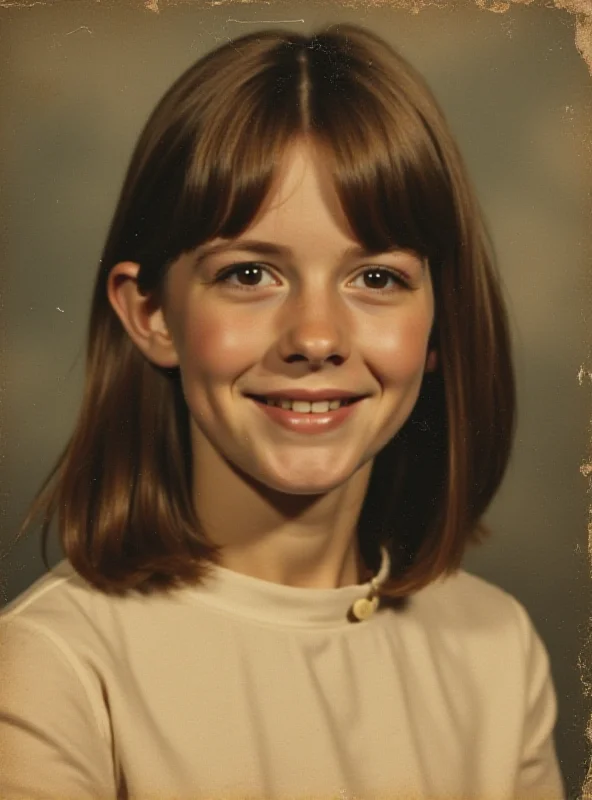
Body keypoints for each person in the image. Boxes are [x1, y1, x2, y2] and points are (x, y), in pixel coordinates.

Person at [0, 23, 565, 800]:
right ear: (152, 314)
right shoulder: (54, 669)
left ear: (441, 321)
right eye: (251, 272)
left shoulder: (498, 652)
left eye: (376, 279)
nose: (316, 337)